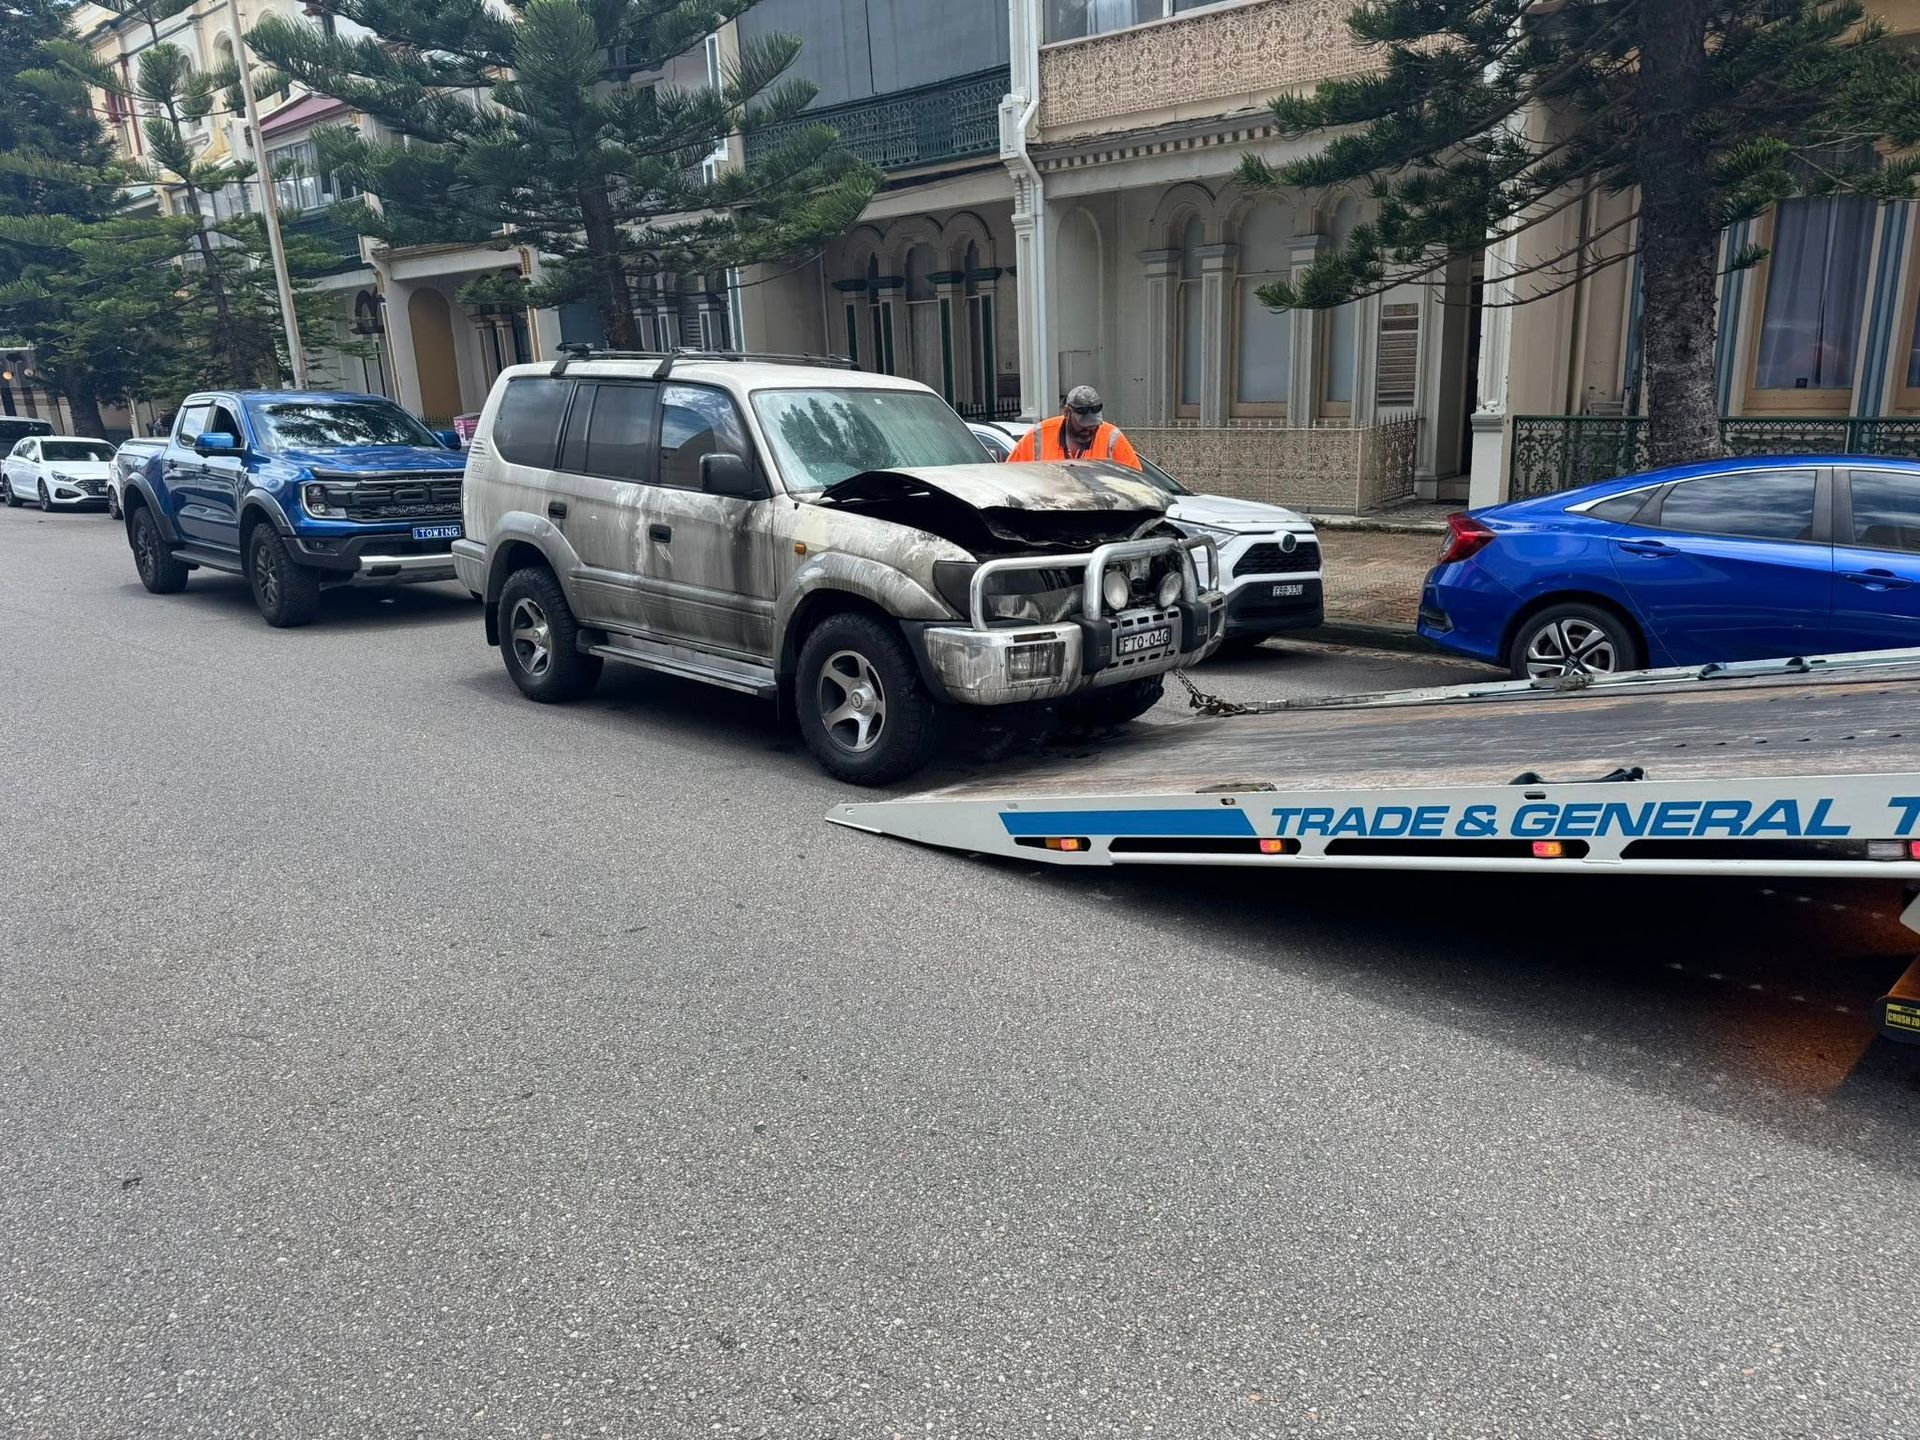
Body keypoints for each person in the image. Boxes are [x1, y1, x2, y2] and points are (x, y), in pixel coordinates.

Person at [1005, 385, 1141, 470]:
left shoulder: (1112, 438)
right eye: (1083, 423)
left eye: (1094, 424)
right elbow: (1010, 478)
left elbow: (1137, 483)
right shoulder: (1037, 436)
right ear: (1066, 413)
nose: (1089, 429)